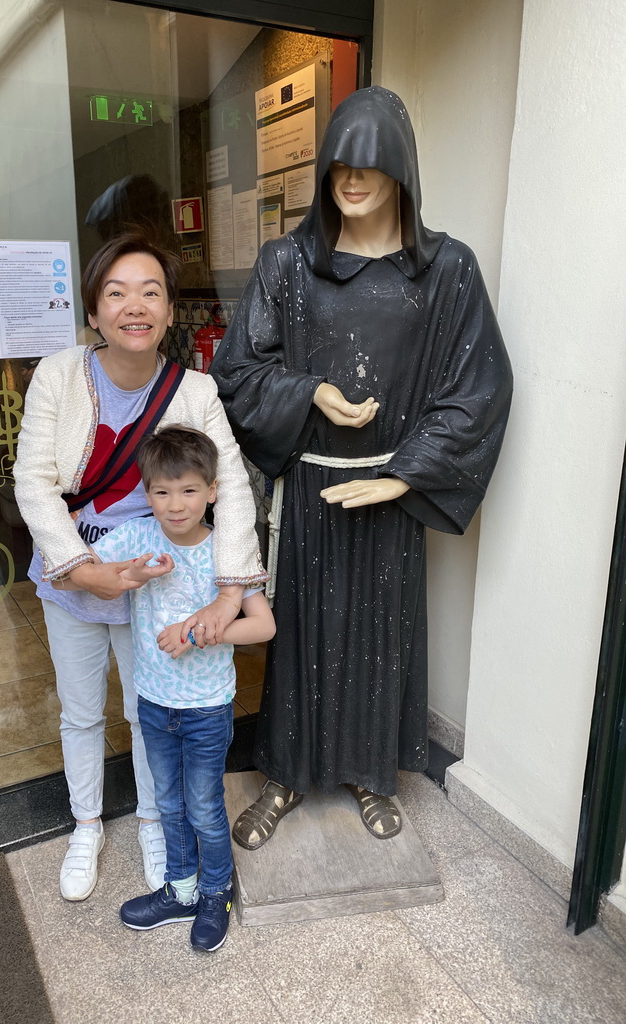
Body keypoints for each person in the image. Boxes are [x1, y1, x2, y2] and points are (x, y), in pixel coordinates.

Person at [210, 87, 513, 848]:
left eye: (370, 163)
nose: (351, 178)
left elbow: (479, 388)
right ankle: (283, 775)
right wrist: (309, 389)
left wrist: (405, 474)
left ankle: (370, 774)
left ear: (402, 168)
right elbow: (238, 372)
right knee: (301, 636)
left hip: (389, 490)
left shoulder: (446, 271)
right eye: (339, 163)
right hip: (310, 486)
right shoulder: (287, 264)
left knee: (380, 636)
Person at [13, 234, 267, 900]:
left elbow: (233, 486)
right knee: (79, 713)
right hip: (75, 580)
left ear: (168, 309)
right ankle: (87, 826)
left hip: (150, 585)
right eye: (116, 293)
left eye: (150, 292)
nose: (134, 306)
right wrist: (77, 567)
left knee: (143, 706)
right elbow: (34, 480)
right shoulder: (59, 375)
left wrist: (228, 593)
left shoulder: (196, 390)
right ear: (93, 311)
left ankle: (155, 821)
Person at [57, 426, 275, 951]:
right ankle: (180, 892)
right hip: (154, 705)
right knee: (170, 804)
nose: (175, 506)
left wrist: (202, 635)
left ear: (214, 491)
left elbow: (263, 627)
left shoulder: (228, 547)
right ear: (145, 492)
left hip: (206, 709)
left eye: (189, 491)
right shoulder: (138, 536)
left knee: (202, 806)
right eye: (162, 492)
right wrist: (121, 571)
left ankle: (215, 892)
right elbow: (76, 572)